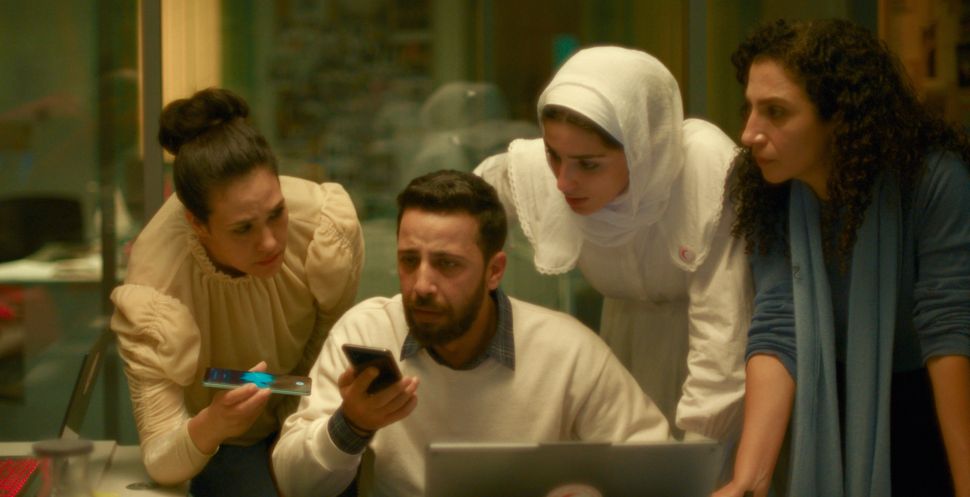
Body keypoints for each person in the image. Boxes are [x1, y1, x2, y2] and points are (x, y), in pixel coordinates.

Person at [271, 170, 670, 497]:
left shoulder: (567, 351)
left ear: (494, 270)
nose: (421, 284)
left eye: (447, 264)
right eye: (409, 260)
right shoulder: (369, 331)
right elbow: (294, 484)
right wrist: (351, 425)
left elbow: (659, 470)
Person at [714, 19, 970, 497]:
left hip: (929, 406)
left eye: (776, 112)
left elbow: (949, 327)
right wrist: (749, 479)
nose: (750, 134)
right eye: (749, 108)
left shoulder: (934, 179)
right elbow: (778, 320)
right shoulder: (762, 187)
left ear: (841, 118)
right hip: (823, 402)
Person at [474, 46, 752, 446]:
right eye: (553, 155)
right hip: (619, 354)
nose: (563, 182)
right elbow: (462, 205)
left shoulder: (705, 172)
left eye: (589, 164)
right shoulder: (547, 168)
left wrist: (692, 461)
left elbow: (722, 337)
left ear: (641, 150)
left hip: (710, 372)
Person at [109, 88, 364, 496]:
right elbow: (160, 457)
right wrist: (214, 423)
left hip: (307, 413)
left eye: (276, 214)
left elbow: (326, 335)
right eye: (243, 228)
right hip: (223, 441)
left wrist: (295, 412)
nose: (269, 243)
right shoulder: (156, 283)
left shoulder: (320, 224)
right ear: (198, 223)